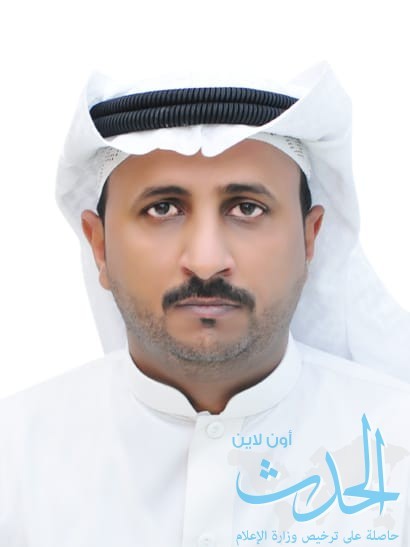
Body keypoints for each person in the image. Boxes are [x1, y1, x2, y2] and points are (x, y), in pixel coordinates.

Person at [0, 62, 409, 546]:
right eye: (163, 209)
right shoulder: (15, 461)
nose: (207, 261)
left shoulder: (398, 447)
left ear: (309, 239)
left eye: (247, 208)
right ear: (100, 247)